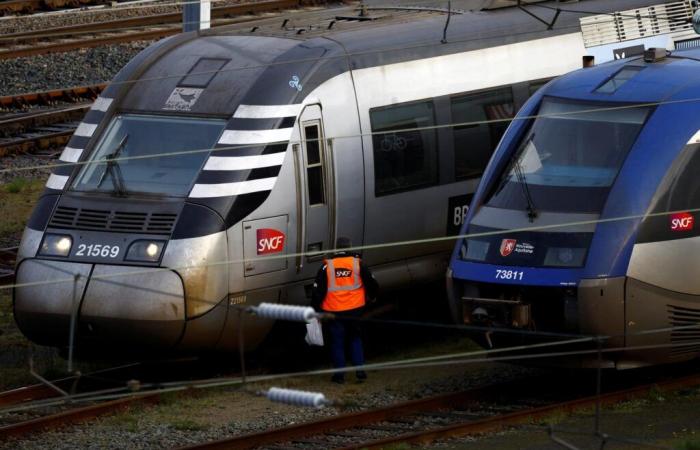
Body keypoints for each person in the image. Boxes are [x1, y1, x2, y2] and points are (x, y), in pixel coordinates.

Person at [311, 237, 378, 384]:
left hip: (333, 311)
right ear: (350, 247)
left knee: (337, 342)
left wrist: (316, 310)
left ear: (336, 248)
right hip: (355, 309)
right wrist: (372, 298)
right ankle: (360, 371)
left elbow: (317, 292)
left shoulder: (327, 266)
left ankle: (339, 376)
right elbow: (372, 284)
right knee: (355, 338)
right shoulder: (358, 263)